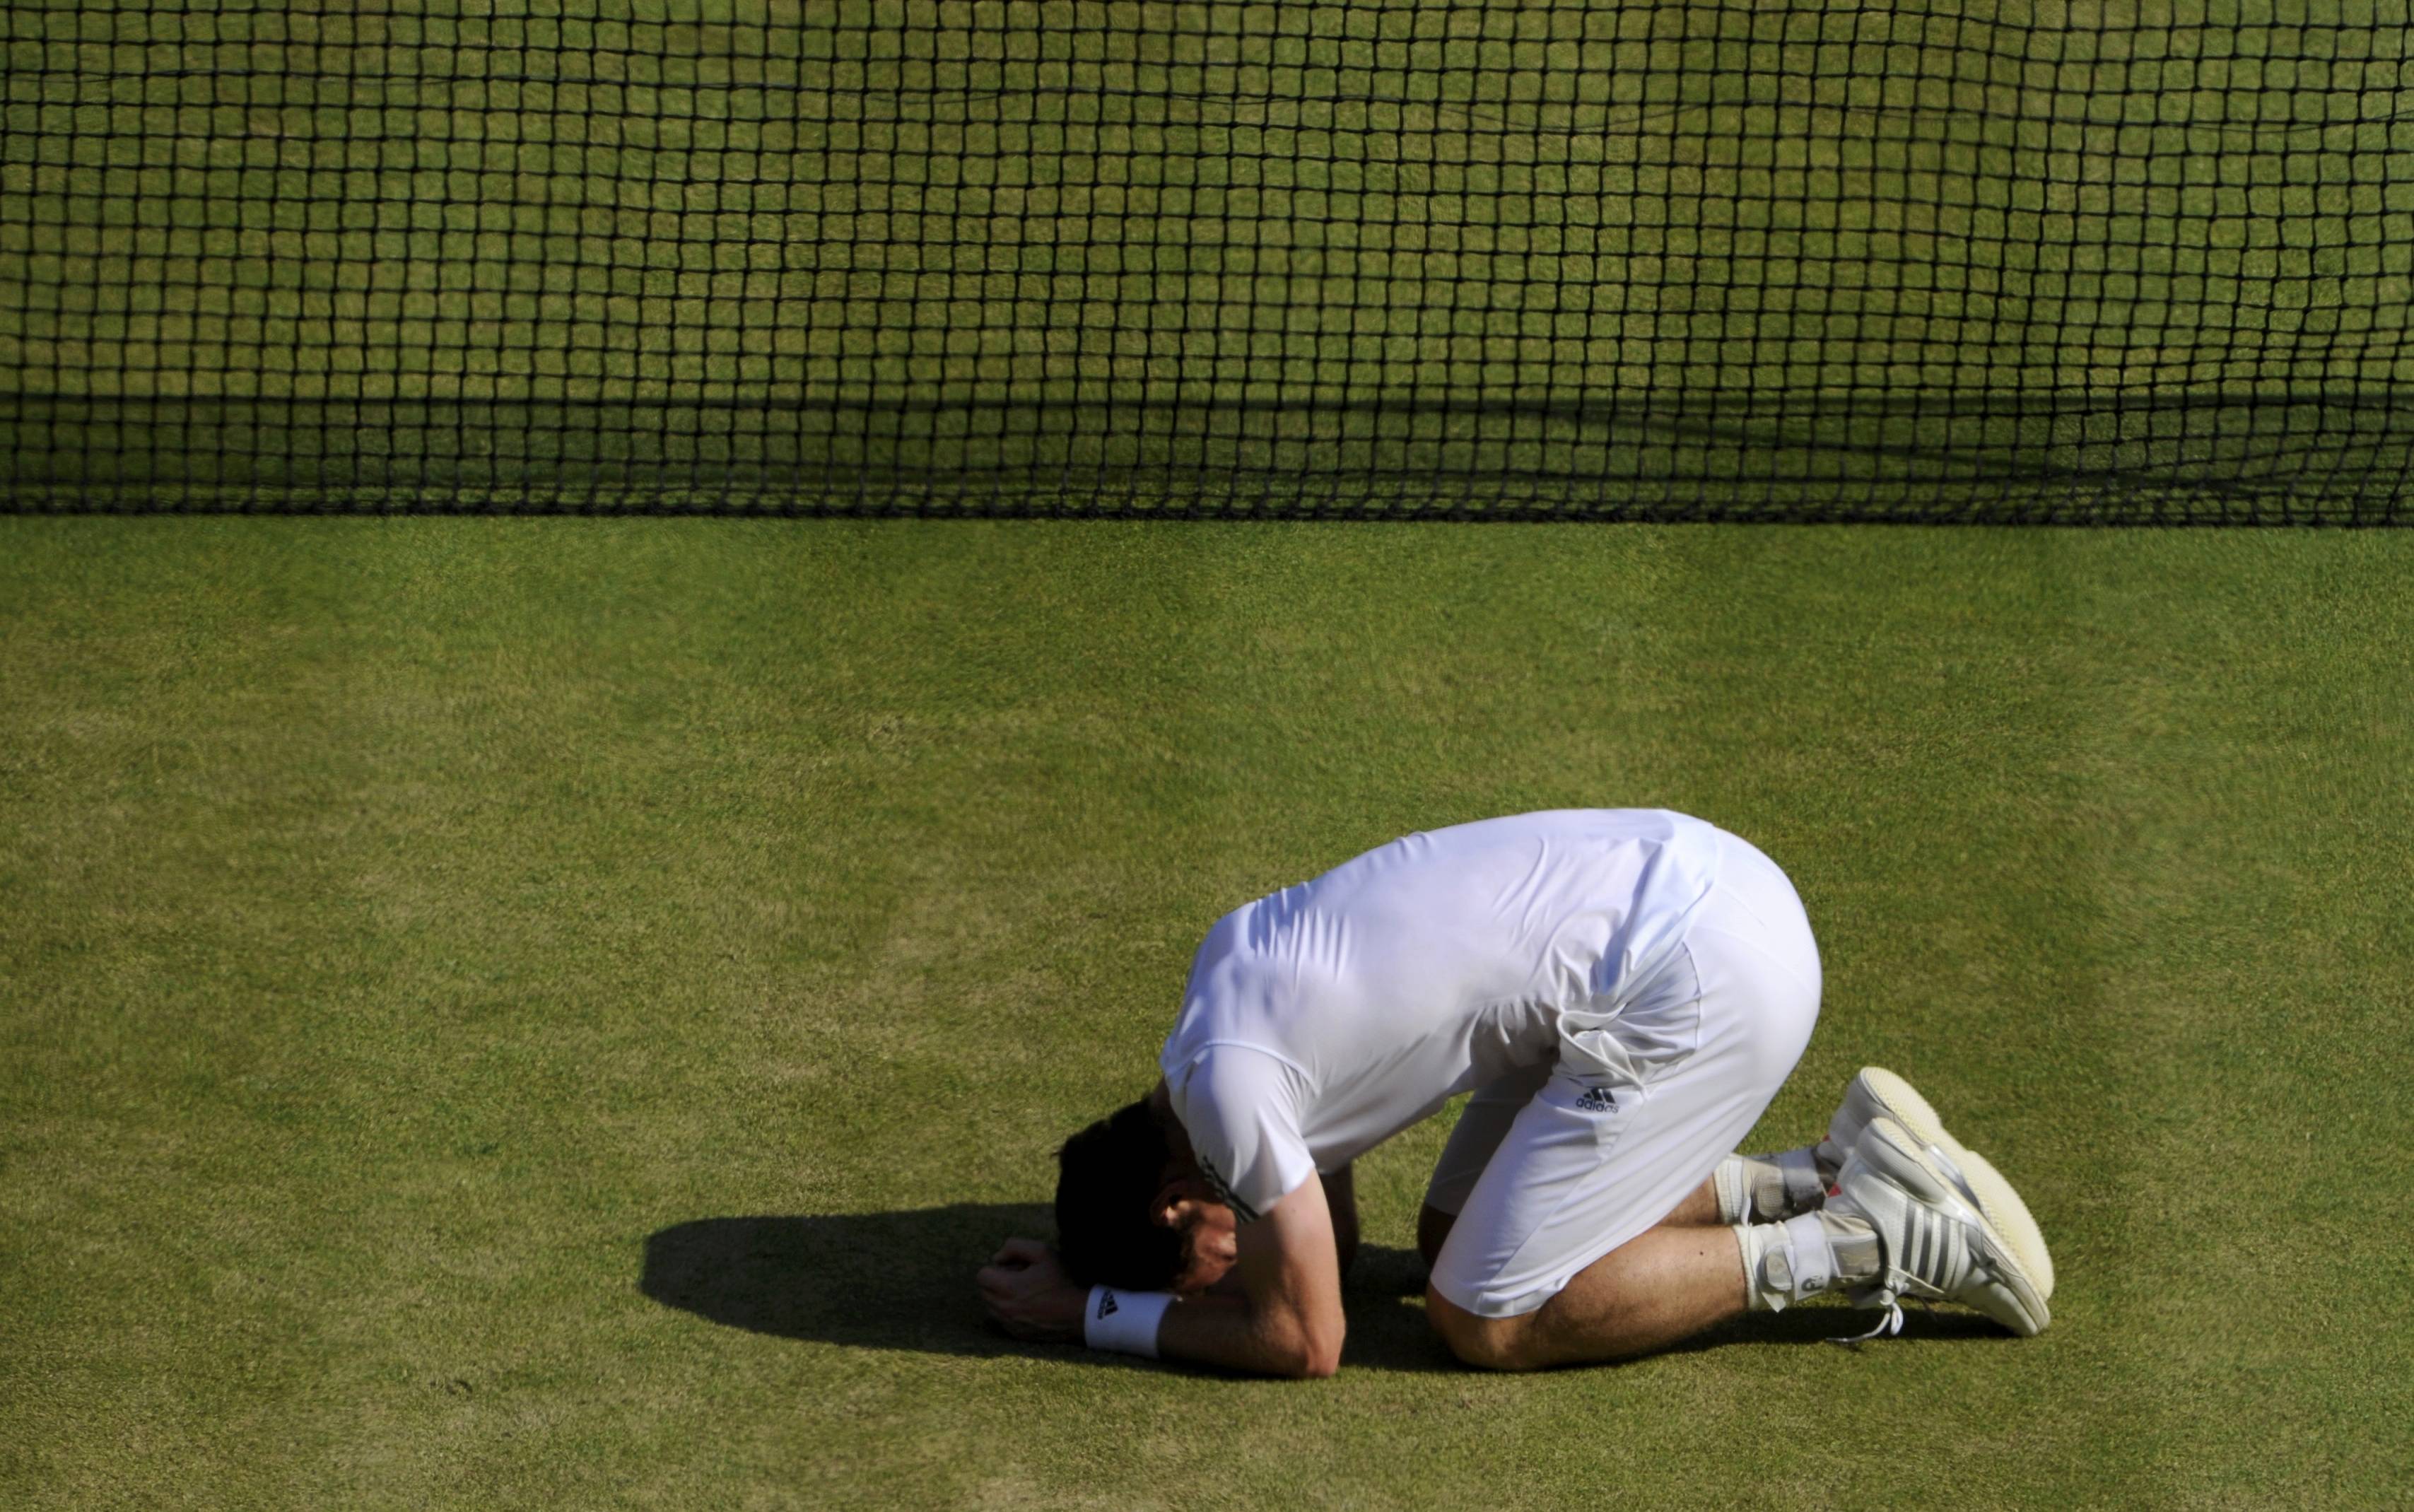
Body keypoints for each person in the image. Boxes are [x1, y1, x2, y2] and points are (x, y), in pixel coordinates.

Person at [978, 809, 2051, 1376]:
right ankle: (1816, 1176)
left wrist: (1094, 1312)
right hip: (1706, 874)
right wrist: (1102, 1253)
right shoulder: (1221, 988)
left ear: (1179, 1198)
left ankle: (1875, 1235)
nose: (1223, 1285)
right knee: (1453, 1234)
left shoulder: (1232, 1099)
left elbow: (1306, 1338)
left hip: (1704, 978)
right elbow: (1333, 1263)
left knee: (1482, 1315)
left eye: (1203, 1271)